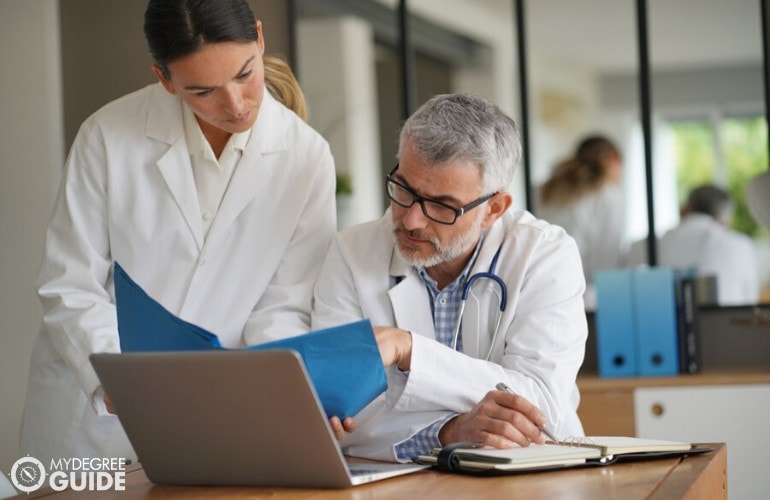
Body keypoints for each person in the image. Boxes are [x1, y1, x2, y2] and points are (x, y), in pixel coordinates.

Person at [20, 0, 336, 465]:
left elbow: (283, 306)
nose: (234, 105)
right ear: (164, 79)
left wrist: (283, 400)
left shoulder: (308, 158)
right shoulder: (108, 136)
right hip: (94, 413)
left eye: (245, 74)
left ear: (261, 40)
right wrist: (123, 383)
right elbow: (70, 284)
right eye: (203, 90)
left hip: (214, 413)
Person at [312, 93, 587, 462]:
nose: (411, 220)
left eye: (441, 206)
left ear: (494, 208)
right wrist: (447, 432)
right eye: (405, 190)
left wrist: (409, 350)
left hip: (532, 475)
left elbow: (539, 406)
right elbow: (333, 413)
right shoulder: (351, 253)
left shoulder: (545, 255)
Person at [627, 184, 759, 305]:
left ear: (685, 209)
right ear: (725, 219)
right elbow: (750, 302)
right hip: (725, 327)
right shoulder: (741, 245)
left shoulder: (645, 246)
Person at [537, 135, 625, 309]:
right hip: (587, 297)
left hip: (542, 290)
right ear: (613, 157)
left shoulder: (545, 190)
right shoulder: (608, 195)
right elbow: (607, 255)